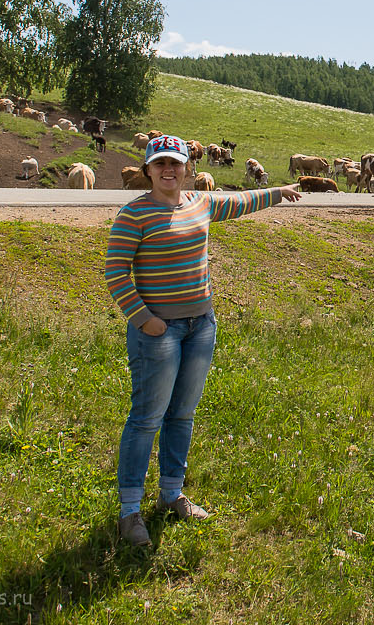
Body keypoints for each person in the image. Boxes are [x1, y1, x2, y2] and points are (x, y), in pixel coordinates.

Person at [104, 134, 301, 546]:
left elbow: (242, 202)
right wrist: (145, 320)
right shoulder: (133, 215)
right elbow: (116, 273)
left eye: (175, 163)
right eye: (160, 164)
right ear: (148, 170)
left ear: (188, 168)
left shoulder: (201, 203)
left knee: (182, 414)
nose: (169, 170)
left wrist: (279, 192)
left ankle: (171, 494)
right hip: (157, 332)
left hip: (200, 327)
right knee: (146, 418)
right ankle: (129, 511)